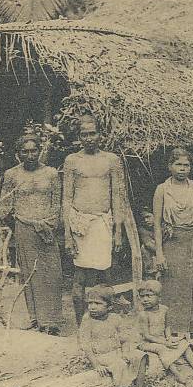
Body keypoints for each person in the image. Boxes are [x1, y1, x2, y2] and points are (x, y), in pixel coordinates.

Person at [62, 113, 125, 326]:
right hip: (80, 224)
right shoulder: (72, 160)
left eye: (93, 133)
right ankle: (83, 326)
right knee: (79, 277)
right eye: (84, 134)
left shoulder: (111, 160)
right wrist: (67, 235)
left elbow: (117, 196)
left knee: (106, 276)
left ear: (101, 135)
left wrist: (118, 231)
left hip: (103, 224)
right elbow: (67, 198)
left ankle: (106, 324)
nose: (89, 138)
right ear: (78, 137)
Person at [1, 133, 65, 335]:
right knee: (30, 272)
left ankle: (52, 321)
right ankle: (37, 318)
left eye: (33, 150)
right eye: (25, 151)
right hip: (24, 227)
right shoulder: (11, 175)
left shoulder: (52, 173)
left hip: (48, 228)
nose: (30, 155)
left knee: (52, 273)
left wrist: (48, 224)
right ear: (18, 154)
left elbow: (57, 203)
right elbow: (5, 207)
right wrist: (20, 225)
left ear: (40, 151)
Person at [152, 148, 193, 339]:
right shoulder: (162, 190)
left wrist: (191, 236)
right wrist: (159, 252)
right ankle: (173, 332)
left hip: (192, 241)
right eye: (178, 164)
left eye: (186, 165)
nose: (183, 169)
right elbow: (157, 224)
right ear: (170, 166)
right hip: (172, 242)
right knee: (173, 286)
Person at [78, 285, 147, 387]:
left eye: (98, 303)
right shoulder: (87, 320)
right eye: (90, 303)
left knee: (140, 356)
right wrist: (96, 365)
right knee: (119, 364)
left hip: (117, 352)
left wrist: (125, 352)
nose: (92, 307)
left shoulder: (115, 318)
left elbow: (124, 339)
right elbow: (86, 345)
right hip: (101, 356)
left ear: (109, 306)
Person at [135, 280, 193, 381]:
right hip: (147, 342)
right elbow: (147, 336)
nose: (145, 299)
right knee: (161, 349)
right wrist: (165, 343)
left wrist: (169, 337)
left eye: (149, 296)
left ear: (159, 297)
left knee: (183, 342)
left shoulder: (164, 309)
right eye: (142, 296)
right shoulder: (144, 315)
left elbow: (167, 327)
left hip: (162, 338)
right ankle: (177, 374)